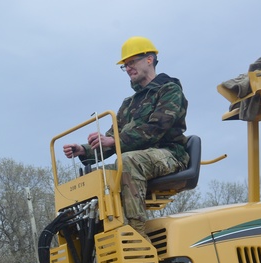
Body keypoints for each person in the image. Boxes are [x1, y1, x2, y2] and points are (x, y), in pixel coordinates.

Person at [62, 36, 188, 236]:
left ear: (149, 59)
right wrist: (84, 149)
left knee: (128, 161)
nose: (128, 68)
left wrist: (115, 141)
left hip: (169, 154)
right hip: (139, 159)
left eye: (131, 62)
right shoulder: (128, 104)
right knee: (100, 176)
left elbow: (157, 128)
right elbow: (112, 139)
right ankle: (97, 237)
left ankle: (135, 236)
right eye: (125, 65)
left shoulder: (169, 89)